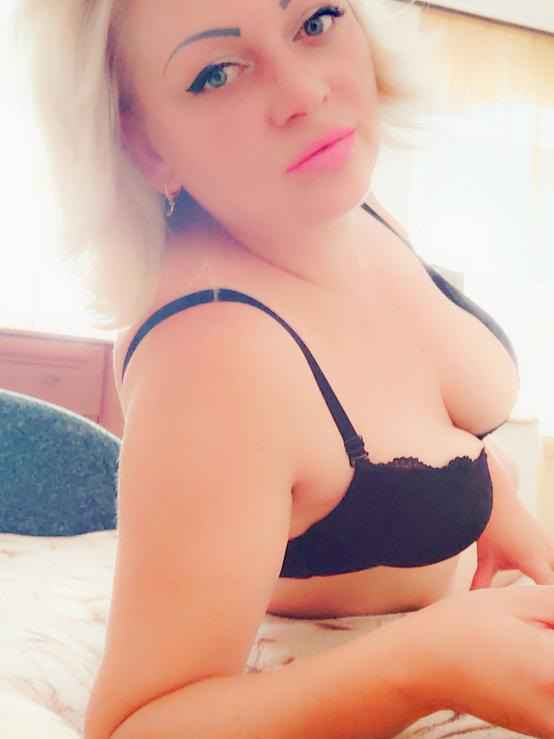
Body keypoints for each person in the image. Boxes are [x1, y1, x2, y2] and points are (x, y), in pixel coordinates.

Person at [10, 0, 554, 737]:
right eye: (217, 73)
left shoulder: (334, 198)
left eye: (316, 20)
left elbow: (407, 400)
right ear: (143, 142)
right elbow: (136, 725)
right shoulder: (210, 354)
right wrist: (428, 660)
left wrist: (490, 498)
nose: (305, 92)